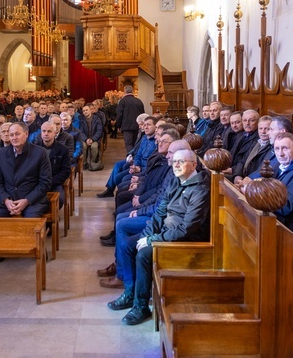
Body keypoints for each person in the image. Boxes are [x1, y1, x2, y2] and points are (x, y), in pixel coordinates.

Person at [108, 149, 210, 325]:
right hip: (165, 232)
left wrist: (151, 240)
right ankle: (130, 293)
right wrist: (148, 234)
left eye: (181, 162)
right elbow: (161, 211)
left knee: (144, 254)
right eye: (175, 161)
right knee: (127, 245)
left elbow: (187, 228)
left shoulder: (201, 189)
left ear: (194, 165)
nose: (176, 165)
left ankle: (141, 306)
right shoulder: (176, 180)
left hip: (186, 240)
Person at [0, 122, 51, 219]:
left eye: (17, 134)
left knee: (29, 226)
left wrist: (26, 200)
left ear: (26, 134)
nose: (14, 138)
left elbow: (45, 183)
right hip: (8, 201)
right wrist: (6, 200)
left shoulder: (40, 153)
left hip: (32, 201)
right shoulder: (1, 153)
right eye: (11, 135)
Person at [35, 121, 71, 207]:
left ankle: (53, 218)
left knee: (59, 200)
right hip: (37, 182)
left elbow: (65, 171)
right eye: (43, 131)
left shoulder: (63, 149)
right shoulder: (34, 148)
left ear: (55, 133)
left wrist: (50, 181)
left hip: (54, 182)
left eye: (49, 131)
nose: (46, 134)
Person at [116, 86, 145, 152]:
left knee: (128, 144)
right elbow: (142, 114)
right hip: (137, 126)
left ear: (125, 91)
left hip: (127, 126)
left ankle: (131, 158)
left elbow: (119, 114)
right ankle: (135, 158)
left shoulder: (122, 101)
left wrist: (118, 125)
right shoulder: (138, 101)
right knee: (135, 143)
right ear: (132, 91)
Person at [81, 103, 104, 170]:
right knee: (83, 146)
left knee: (94, 146)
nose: (85, 112)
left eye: (86, 110)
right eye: (84, 111)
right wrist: (86, 139)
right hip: (85, 139)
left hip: (95, 139)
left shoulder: (97, 119)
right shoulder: (82, 120)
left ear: (90, 111)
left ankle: (93, 162)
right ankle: (84, 163)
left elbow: (99, 130)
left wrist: (93, 139)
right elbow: (81, 131)